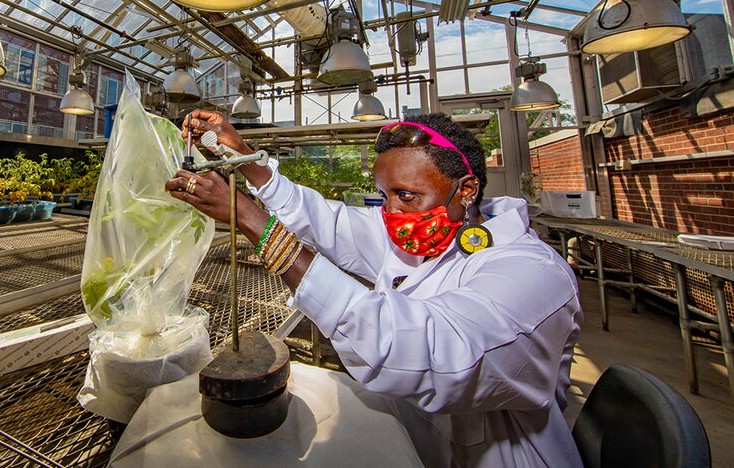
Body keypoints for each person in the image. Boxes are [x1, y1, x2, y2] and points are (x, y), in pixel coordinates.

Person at [165, 110, 583, 468]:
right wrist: (242, 156)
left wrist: (251, 218)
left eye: (406, 195)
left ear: (467, 189)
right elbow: (322, 218)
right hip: (415, 442)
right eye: (385, 196)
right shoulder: (412, 237)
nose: (392, 213)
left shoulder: (534, 274)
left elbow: (428, 353)